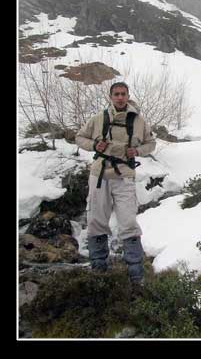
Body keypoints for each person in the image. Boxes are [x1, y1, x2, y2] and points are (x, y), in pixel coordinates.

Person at [75, 82, 156, 286]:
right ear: (110, 96)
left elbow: (151, 143)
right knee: (96, 220)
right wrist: (94, 144)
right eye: (116, 94)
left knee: (128, 222)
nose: (120, 97)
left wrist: (137, 151)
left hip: (124, 175)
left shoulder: (138, 121)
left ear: (128, 96)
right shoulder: (98, 118)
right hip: (99, 175)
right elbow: (79, 137)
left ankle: (136, 277)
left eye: (123, 94)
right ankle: (99, 272)